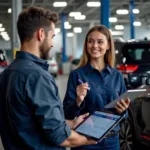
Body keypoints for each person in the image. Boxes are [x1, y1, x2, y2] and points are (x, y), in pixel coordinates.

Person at [0, 6, 97, 150]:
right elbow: (60, 137)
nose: (52, 43)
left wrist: (72, 123)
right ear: (41, 34)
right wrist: (90, 139)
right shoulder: (38, 77)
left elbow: (31, 123)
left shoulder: (6, 73)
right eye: (52, 36)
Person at [63, 25, 130, 150]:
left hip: (112, 142)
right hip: (85, 142)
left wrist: (123, 110)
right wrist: (78, 100)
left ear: (108, 45)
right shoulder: (77, 75)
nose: (94, 46)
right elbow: (67, 114)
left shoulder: (117, 76)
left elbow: (124, 115)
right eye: (90, 41)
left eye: (100, 42)